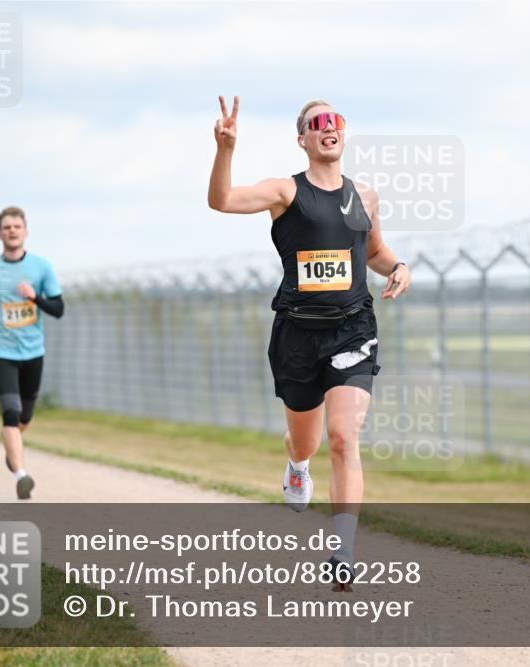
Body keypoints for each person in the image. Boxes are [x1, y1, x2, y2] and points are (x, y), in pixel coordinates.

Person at [208, 97, 411, 590]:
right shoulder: (285, 191)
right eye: (316, 124)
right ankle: (297, 465)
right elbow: (222, 200)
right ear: (303, 139)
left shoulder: (365, 196)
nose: (328, 128)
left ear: (343, 133)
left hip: (353, 328)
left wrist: (399, 267)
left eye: (335, 121)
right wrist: (225, 149)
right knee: (308, 440)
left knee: (344, 436)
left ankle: (342, 551)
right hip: (298, 333)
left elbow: (373, 251)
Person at [0, 206, 64, 500]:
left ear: (25, 232)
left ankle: (12, 451)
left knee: (25, 417)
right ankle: (21, 474)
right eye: (6, 227)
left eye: (16, 226)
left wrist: (34, 296)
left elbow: (59, 309)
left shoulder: (41, 267)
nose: (11, 231)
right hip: (0, 350)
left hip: (33, 351)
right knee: (11, 411)